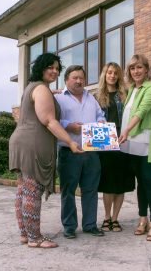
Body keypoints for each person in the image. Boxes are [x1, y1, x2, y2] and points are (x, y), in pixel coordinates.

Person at [9, 53, 83, 249]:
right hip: (33, 144)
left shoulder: (33, 87)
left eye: (57, 68)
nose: (55, 71)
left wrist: (54, 93)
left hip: (22, 141)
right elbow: (49, 121)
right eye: (50, 67)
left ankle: (25, 234)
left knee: (23, 190)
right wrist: (70, 142)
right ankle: (35, 238)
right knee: (32, 190)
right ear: (41, 67)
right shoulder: (41, 89)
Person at [118, 54, 151, 241]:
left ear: (146, 70)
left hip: (149, 142)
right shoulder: (131, 89)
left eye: (139, 67)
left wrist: (126, 131)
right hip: (133, 143)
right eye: (132, 68)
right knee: (140, 181)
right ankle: (142, 219)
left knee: (150, 180)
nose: (136, 71)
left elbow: (142, 111)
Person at [55, 65, 106, 239]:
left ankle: (90, 225)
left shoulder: (91, 98)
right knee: (68, 191)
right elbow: (51, 120)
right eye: (75, 77)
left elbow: (100, 115)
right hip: (69, 152)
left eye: (81, 78)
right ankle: (69, 226)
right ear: (66, 80)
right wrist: (68, 125)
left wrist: (101, 122)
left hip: (91, 151)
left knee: (90, 190)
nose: (79, 81)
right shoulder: (58, 99)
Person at [95, 62, 135, 232]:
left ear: (119, 76)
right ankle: (106, 217)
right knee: (108, 183)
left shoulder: (124, 94)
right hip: (105, 143)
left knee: (121, 183)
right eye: (109, 72)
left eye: (115, 73)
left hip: (123, 141)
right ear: (105, 75)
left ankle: (115, 218)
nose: (112, 76)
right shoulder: (96, 96)